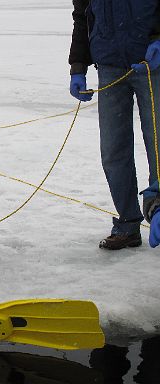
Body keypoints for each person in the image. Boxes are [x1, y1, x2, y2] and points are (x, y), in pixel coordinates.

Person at [69, 0, 160, 249]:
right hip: (109, 65)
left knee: (158, 147)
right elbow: (82, 18)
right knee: (113, 150)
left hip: (151, 64)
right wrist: (78, 67)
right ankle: (127, 224)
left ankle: (158, 212)